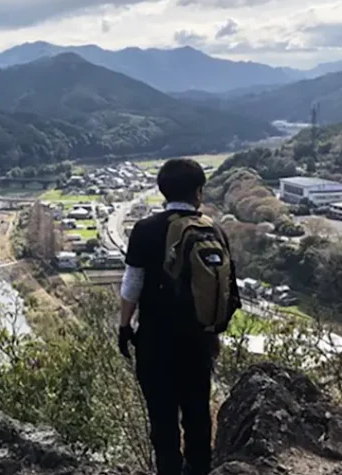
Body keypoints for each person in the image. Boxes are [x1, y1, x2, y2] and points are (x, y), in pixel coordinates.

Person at [117, 158, 241, 475]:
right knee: (197, 414)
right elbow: (220, 290)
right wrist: (213, 335)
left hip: (156, 343)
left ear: (162, 191)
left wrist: (124, 326)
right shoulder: (214, 230)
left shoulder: (145, 230)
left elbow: (132, 285)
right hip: (198, 342)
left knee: (163, 420)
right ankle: (199, 470)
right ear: (199, 192)